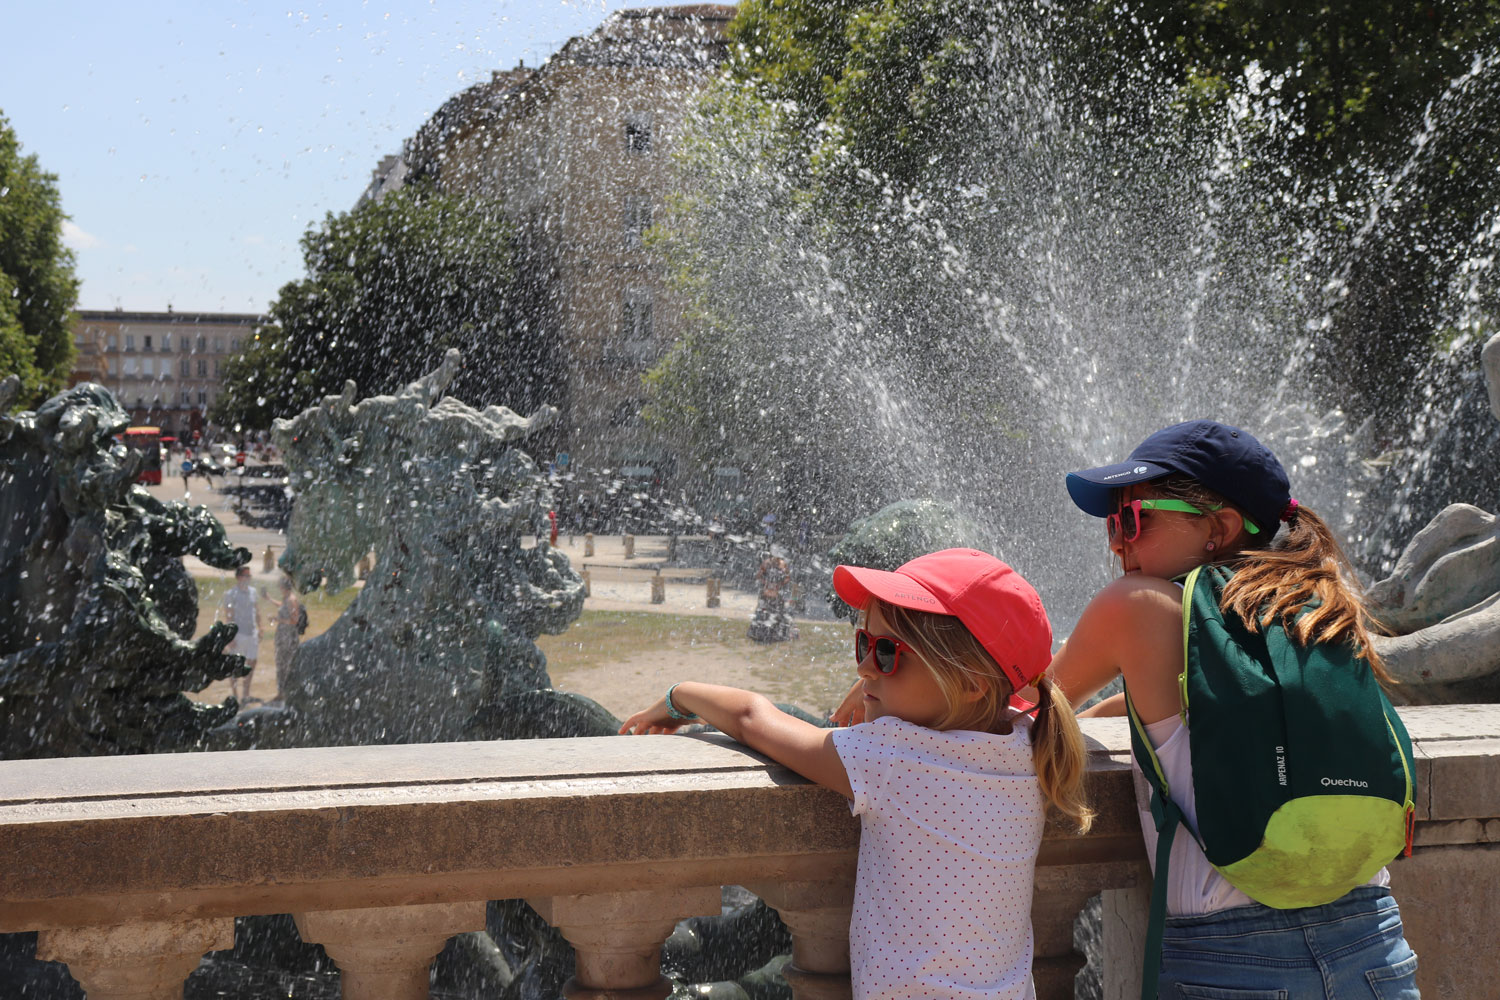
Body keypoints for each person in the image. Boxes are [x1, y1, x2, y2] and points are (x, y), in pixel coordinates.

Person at [1049, 419, 1419, 997]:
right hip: (1373, 941)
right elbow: (1221, 711)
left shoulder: (1138, 603)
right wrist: (1110, 713)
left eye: (1132, 520)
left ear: (1217, 528)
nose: (1117, 542)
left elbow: (1028, 707)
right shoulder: (1317, 604)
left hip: (1231, 961)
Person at [621, 549, 1092, 1000]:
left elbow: (751, 719)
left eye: (887, 653)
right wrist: (879, 681)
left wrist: (676, 697)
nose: (865, 666)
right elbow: (1002, 685)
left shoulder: (892, 756)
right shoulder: (1028, 741)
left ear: (969, 681)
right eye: (863, 644)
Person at [217, 565, 263, 704]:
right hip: (238, 634)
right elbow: (229, 616)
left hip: (251, 633)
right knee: (235, 665)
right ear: (238, 577)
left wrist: (261, 627)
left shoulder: (253, 592)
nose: (248, 579)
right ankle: (235, 696)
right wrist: (229, 637)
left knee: (252, 662)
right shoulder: (231, 594)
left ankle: (246, 695)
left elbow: (257, 611)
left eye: (249, 576)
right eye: (245, 576)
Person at [269, 575, 305, 704]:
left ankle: (287, 693)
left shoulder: (291, 599)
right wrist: (269, 599)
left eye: (279, 586)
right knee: (281, 664)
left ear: (283, 587)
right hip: (283, 636)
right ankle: (282, 693)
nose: (279, 588)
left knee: (287, 665)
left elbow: (294, 620)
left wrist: (277, 619)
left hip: (288, 637)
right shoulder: (286, 598)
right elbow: (282, 606)